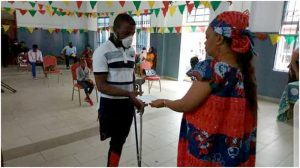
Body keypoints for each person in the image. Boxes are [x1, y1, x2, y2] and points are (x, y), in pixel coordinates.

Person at [150, 11, 257, 166]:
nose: (205, 42)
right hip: (233, 146)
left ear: (219, 39)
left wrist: (165, 102)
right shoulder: (244, 71)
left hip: (209, 146)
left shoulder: (211, 69)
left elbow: (186, 104)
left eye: (207, 37)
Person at [93, 13, 146, 167]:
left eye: (133, 33)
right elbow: (101, 85)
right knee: (116, 140)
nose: (130, 37)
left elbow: (129, 80)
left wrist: (134, 99)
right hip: (110, 105)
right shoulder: (101, 52)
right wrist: (128, 94)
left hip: (127, 105)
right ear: (114, 30)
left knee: (120, 140)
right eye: (126, 33)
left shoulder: (131, 52)